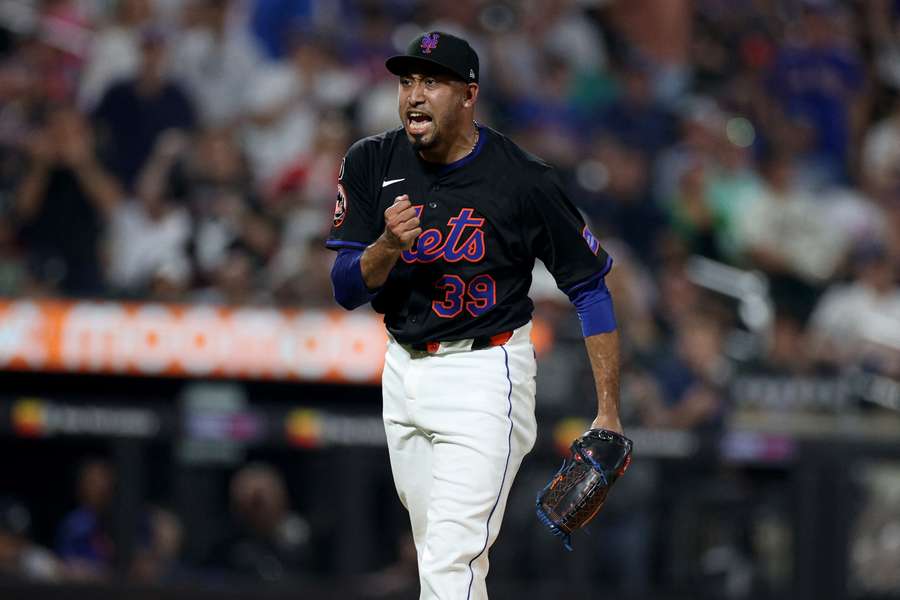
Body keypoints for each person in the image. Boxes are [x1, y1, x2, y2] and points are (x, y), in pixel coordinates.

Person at [326, 31, 624, 599]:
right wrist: (387, 245)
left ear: (469, 94)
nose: (415, 95)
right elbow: (344, 288)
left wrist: (608, 410)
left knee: (450, 559)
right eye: (407, 81)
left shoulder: (522, 178)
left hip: (485, 375)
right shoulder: (369, 160)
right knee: (439, 556)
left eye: (432, 81)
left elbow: (590, 286)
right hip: (402, 370)